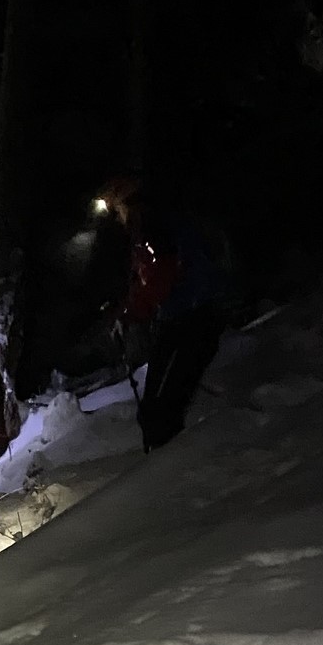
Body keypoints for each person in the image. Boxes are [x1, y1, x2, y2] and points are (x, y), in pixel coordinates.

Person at [98, 175, 226, 451]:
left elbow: (159, 280)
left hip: (194, 318)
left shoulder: (154, 226)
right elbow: (146, 280)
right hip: (179, 319)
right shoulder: (146, 229)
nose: (116, 215)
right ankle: (165, 465)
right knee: (154, 410)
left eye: (115, 207)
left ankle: (172, 470)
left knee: (161, 410)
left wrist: (129, 313)